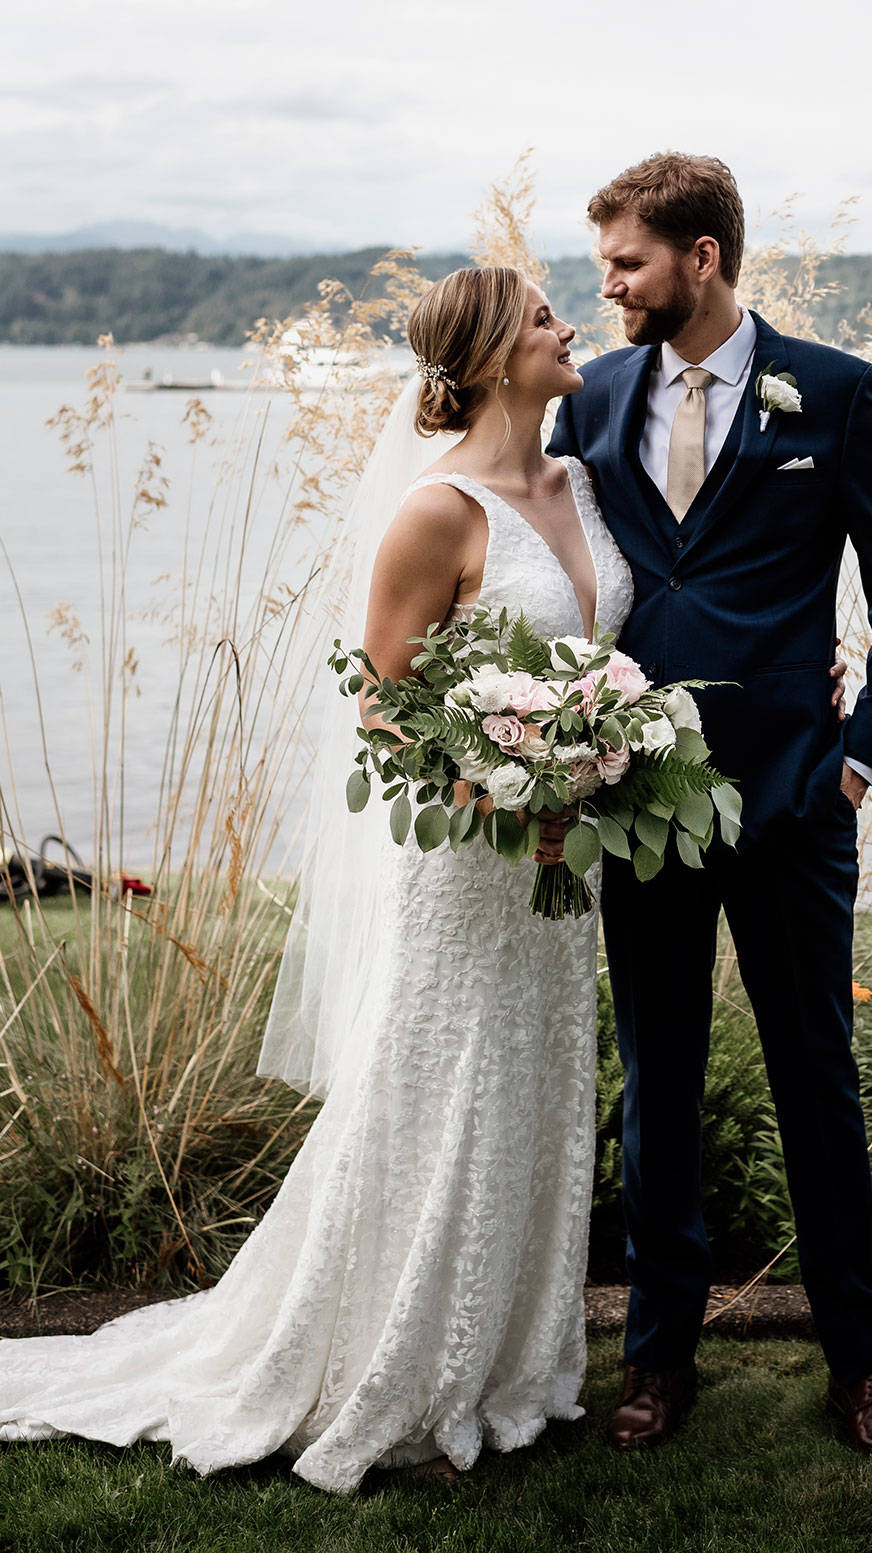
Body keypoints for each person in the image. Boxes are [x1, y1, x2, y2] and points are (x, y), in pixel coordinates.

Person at [0, 266, 635, 1492]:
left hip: (566, 864)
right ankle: (392, 1362)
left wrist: (598, 764)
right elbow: (382, 702)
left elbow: (607, 654)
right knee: (437, 1088)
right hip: (468, 859)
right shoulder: (438, 512)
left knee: (536, 1088)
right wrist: (509, 780)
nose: (572, 330)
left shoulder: (582, 483)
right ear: (499, 356)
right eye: (548, 318)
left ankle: (511, 1360)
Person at [547, 152, 872, 1461]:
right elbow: (569, 583)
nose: (606, 289)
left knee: (816, 1082)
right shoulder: (590, 399)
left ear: (702, 257)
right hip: (637, 799)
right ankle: (657, 1361)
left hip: (793, 802)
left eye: (629, 264)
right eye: (604, 267)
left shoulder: (834, 392)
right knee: (655, 1086)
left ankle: (864, 1365)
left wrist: (857, 760)